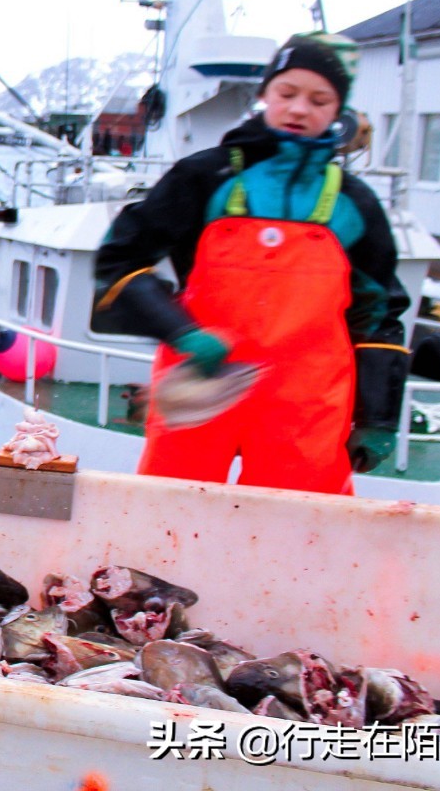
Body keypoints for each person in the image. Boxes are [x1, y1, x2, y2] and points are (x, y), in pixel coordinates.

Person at [91, 32, 410, 494]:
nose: (299, 109)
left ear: (338, 110)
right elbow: (120, 263)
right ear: (265, 94)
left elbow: (379, 315)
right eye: (287, 93)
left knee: (302, 527)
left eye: (319, 100)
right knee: (171, 515)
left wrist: (378, 415)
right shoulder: (204, 176)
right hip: (202, 388)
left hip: (307, 406)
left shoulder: (354, 202)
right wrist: (183, 333)